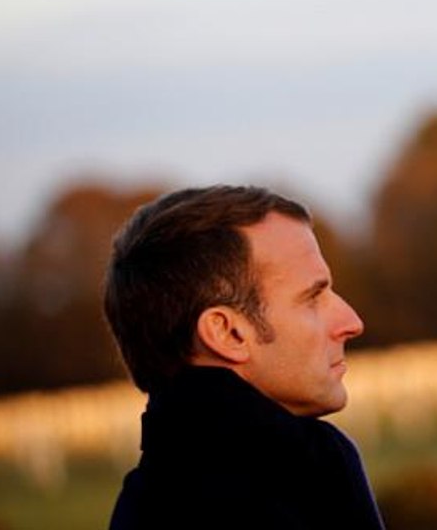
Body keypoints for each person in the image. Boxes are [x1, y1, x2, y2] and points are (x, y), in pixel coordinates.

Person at [103, 185, 384, 530]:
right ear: (227, 333)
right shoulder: (301, 478)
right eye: (312, 299)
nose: (352, 323)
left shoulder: (146, 503)